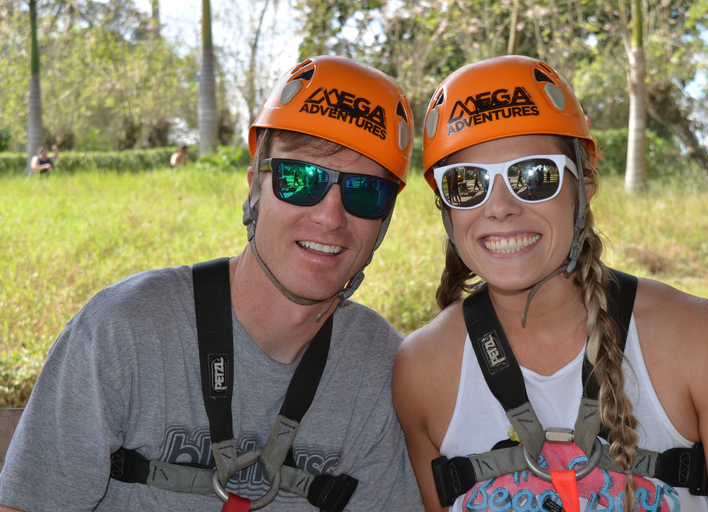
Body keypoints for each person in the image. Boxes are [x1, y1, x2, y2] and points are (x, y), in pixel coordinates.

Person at [0, 55, 423, 511]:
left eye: (366, 191)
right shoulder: (123, 332)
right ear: (255, 190)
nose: (330, 216)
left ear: (383, 225)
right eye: (300, 179)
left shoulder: (382, 371)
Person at [392, 55, 708, 512]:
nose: (500, 207)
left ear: (583, 183)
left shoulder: (701, 341)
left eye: (534, 176)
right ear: (446, 206)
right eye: (468, 183)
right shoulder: (422, 370)